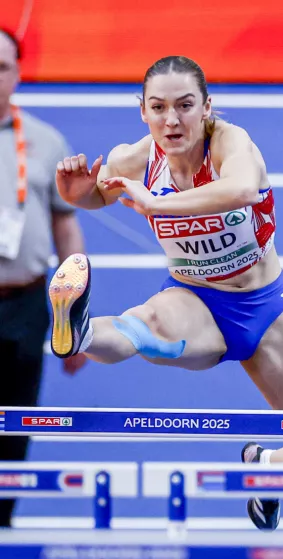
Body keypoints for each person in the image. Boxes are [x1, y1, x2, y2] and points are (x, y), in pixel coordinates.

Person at [49, 55, 283, 529]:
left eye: (184, 105)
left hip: (268, 312)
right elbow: (98, 191)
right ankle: (78, 332)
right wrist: (79, 195)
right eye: (158, 107)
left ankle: (268, 467)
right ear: (143, 111)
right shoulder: (132, 160)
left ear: (207, 107)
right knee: (145, 330)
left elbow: (240, 190)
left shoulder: (231, 143)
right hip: (194, 299)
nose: (172, 120)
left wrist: (159, 202)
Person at [0, 27, 88, 527]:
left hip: (26, 303)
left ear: (17, 73)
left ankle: (2, 524)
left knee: (14, 424)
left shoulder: (45, 140)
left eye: (1, 67)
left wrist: (73, 322)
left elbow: (67, 230)